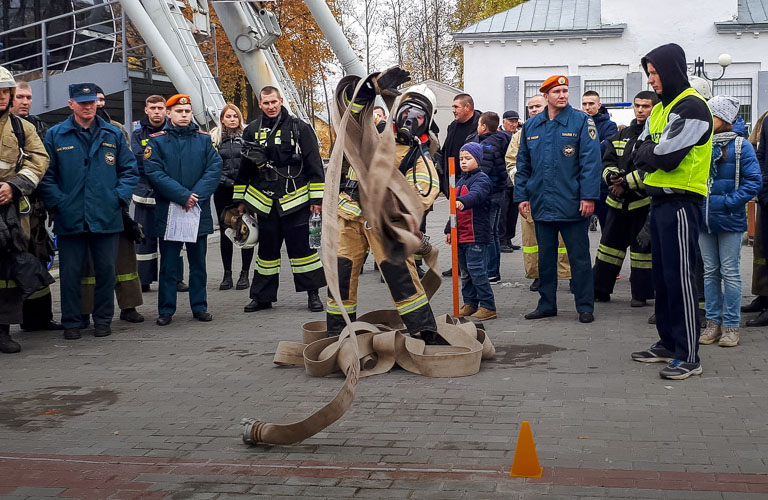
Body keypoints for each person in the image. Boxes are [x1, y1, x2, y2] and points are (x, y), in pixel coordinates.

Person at [329, 68, 442, 342]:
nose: (410, 120)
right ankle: (337, 334)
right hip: (349, 217)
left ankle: (423, 332)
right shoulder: (370, 134)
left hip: (383, 226)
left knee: (401, 277)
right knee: (340, 277)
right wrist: (370, 89)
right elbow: (349, 112)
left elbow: (424, 194)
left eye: (418, 116)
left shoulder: (420, 157)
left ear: (427, 122)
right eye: (406, 112)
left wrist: (397, 210)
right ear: (396, 111)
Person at [629, 43, 713, 380]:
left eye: (656, 72)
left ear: (672, 70)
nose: (652, 80)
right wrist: (651, 149)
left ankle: (689, 354)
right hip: (660, 201)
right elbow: (638, 149)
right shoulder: (663, 109)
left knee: (680, 278)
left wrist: (651, 149)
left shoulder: (692, 107)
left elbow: (666, 157)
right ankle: (666, 343)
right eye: (648, 73)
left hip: (682, 202)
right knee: (663, 279)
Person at [40, 83, 138, 340]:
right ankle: (71, 321)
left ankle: (103, 320)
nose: (88, 107)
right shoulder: (56, 135)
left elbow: (129, 170)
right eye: (82, 102)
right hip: (70, 217)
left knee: (106, 271)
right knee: (70, 273)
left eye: (91, 102)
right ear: (71, 104)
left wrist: (117, 198)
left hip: (106, 217)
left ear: (97, 103)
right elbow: (46, 176)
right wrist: (59, 203)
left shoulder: (112, 134)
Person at [515, 75, 601, 324]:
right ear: (546, 96)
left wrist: (588, 197)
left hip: (573, 203)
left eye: (565, 91)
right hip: (541, 203)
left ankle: (585, 306)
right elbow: (523, 164)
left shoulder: (582, 121)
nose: (562, 95)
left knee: (579, 258)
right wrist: (521, 196)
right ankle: (547, 304)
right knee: (546, 258)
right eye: (557, 92)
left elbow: (590, 163)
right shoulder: (532, 126)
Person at [234, 86, 326, 313]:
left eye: (274, 102)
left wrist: (317, 200)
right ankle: (262, 297)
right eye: (266, 103)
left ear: (280, 100)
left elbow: (314, 164)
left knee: (304, 252)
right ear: (260, 103)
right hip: (266, 203)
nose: (271, 106)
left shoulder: (299, 128)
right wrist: (239, 200)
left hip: (297, 201)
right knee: (266, 254)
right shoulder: (252, 130)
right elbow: (244, 169)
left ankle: (313, 295)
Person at [143, 94, 221, 326]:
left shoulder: (204, 140)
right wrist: (182, 196)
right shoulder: (157, 141)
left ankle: (200, 306)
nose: (184, 115)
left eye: (187, 112)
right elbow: (154, 173)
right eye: (179, 111)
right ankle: (166, 309)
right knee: (169, 264)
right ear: (169, 114)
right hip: (170, 212)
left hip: (196, 210)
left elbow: (214, 169)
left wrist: (194, 196)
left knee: (198, 264)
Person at [76, 86, 144, 325]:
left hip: (115, 206)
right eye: (96, 100)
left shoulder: (116, 130)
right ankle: (85, 310)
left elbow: (127, 167)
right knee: (88, 265)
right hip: (85, 207)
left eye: (102, 100)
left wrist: (119, 198)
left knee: (124, 260)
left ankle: (129, 306)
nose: (99, 104)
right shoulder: (72, 132)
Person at [697, 96, 761, 348]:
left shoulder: (741, 146)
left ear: (722, 118)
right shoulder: (701, 143)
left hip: (730, 219)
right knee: (710, 272)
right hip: (704, 220)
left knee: (731, 273)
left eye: (710, 115)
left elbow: (753, 182)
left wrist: (727, 202)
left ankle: (731, 326)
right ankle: (713, 323)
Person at [0, 66, 52, 353]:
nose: (2, 96)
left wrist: (14, 187)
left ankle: (3, 331)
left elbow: (38, 160)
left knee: (7, 274)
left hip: (10, 211)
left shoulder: (23, 128)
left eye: (5, 91)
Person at [592, 91, 658, 306]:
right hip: (616, 203)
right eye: (637, 105)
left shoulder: (657, 136)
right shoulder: (622, 134)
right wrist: (612, 178)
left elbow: (653, 169)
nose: (640, 110)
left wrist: (626, 183)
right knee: (608, 248)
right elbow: (607, 160)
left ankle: (640, 294)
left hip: (643, 203)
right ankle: (600, 288)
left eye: (645, 106)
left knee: (642, 251)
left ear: (655, 108)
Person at [9, 81, 61, 332]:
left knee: (39, 260)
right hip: (8, 209)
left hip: (35, 209)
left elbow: (48, 167)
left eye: (28, 97)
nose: (25, 101)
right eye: (20, 96)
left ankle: (39, 319)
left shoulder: (40, 127)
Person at [508, 95, 571, 291]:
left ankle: (568, 274)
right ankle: (537, 275)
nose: (533, 110)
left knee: (564, 238)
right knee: (531, 240)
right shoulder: (521, 134)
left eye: (537, 106)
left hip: (560, 193)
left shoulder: (566, 127)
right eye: (530, 107)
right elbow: (512, 162)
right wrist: (524, 185)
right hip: (533, 195)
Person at [445, 142, 496, 320]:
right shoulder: (460, 180)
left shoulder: (482, 179)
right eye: (461, 159)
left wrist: (462, 202)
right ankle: (470, 302)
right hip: (460, 235)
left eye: (468, 158)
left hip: (476, 234)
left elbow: (476, 195)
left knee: (477, 270)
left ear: (478, 159)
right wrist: (448, 229)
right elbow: (453, 209)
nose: (463, 162)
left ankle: (488, 305)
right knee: (465, 272)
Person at [210, 103, 253, 291]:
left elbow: (253, 163)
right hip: (223, 191)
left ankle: (245, 274)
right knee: (226, 232)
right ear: (222, 119)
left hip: (247, 192)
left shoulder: (248, 137)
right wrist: (227, 181)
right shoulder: (214, 139)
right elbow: (210, 165)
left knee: (247, 230)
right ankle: (227, 274)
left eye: (235, 116)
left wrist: (245, 184)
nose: (232, 119)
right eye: (228, 116)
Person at [438, 93, 481, 277]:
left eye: (456, 106)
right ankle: (458, 264)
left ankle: (476, 265)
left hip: (472, 183)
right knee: (455, 223)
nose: (453, 110)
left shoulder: (479, 125)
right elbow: (445, 150)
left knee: (471, 225)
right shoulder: (453, 126)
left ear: (467, 107)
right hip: (453, 181)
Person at [476, 111, 511, 283]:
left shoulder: (486, 146)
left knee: (488, 233)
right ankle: (493, 270)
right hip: (500, 192)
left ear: (483, 127)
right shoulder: (503, 139)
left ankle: (491, 271)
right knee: (495, 233)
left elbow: (483, 173)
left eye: (478, 124)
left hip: (490, 194)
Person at [743, 110, 768, 326]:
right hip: (766, 197)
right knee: (762, 250)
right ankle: (763, 295)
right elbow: (762, 155)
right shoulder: (767, 119)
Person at [582, 90, 618, 231]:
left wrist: (585, 149)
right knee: (579, 231)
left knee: (608, 229)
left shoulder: (610, 126)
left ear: (599, 105)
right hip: (583, 186)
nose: (587, 107)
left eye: (591, 103)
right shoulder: (578, 124)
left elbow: (605, 147)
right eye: (584, 104)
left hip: (603, 186)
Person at [500, 110, 521, 253]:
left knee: (513, 212)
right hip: (504, 181)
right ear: (504, 122)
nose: (513, 124)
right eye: (511, 121)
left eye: (515, 121)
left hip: (514, 181)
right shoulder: (501, 137)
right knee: (503, 212)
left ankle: (508, 238)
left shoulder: (517, 135)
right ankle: (501, 240)